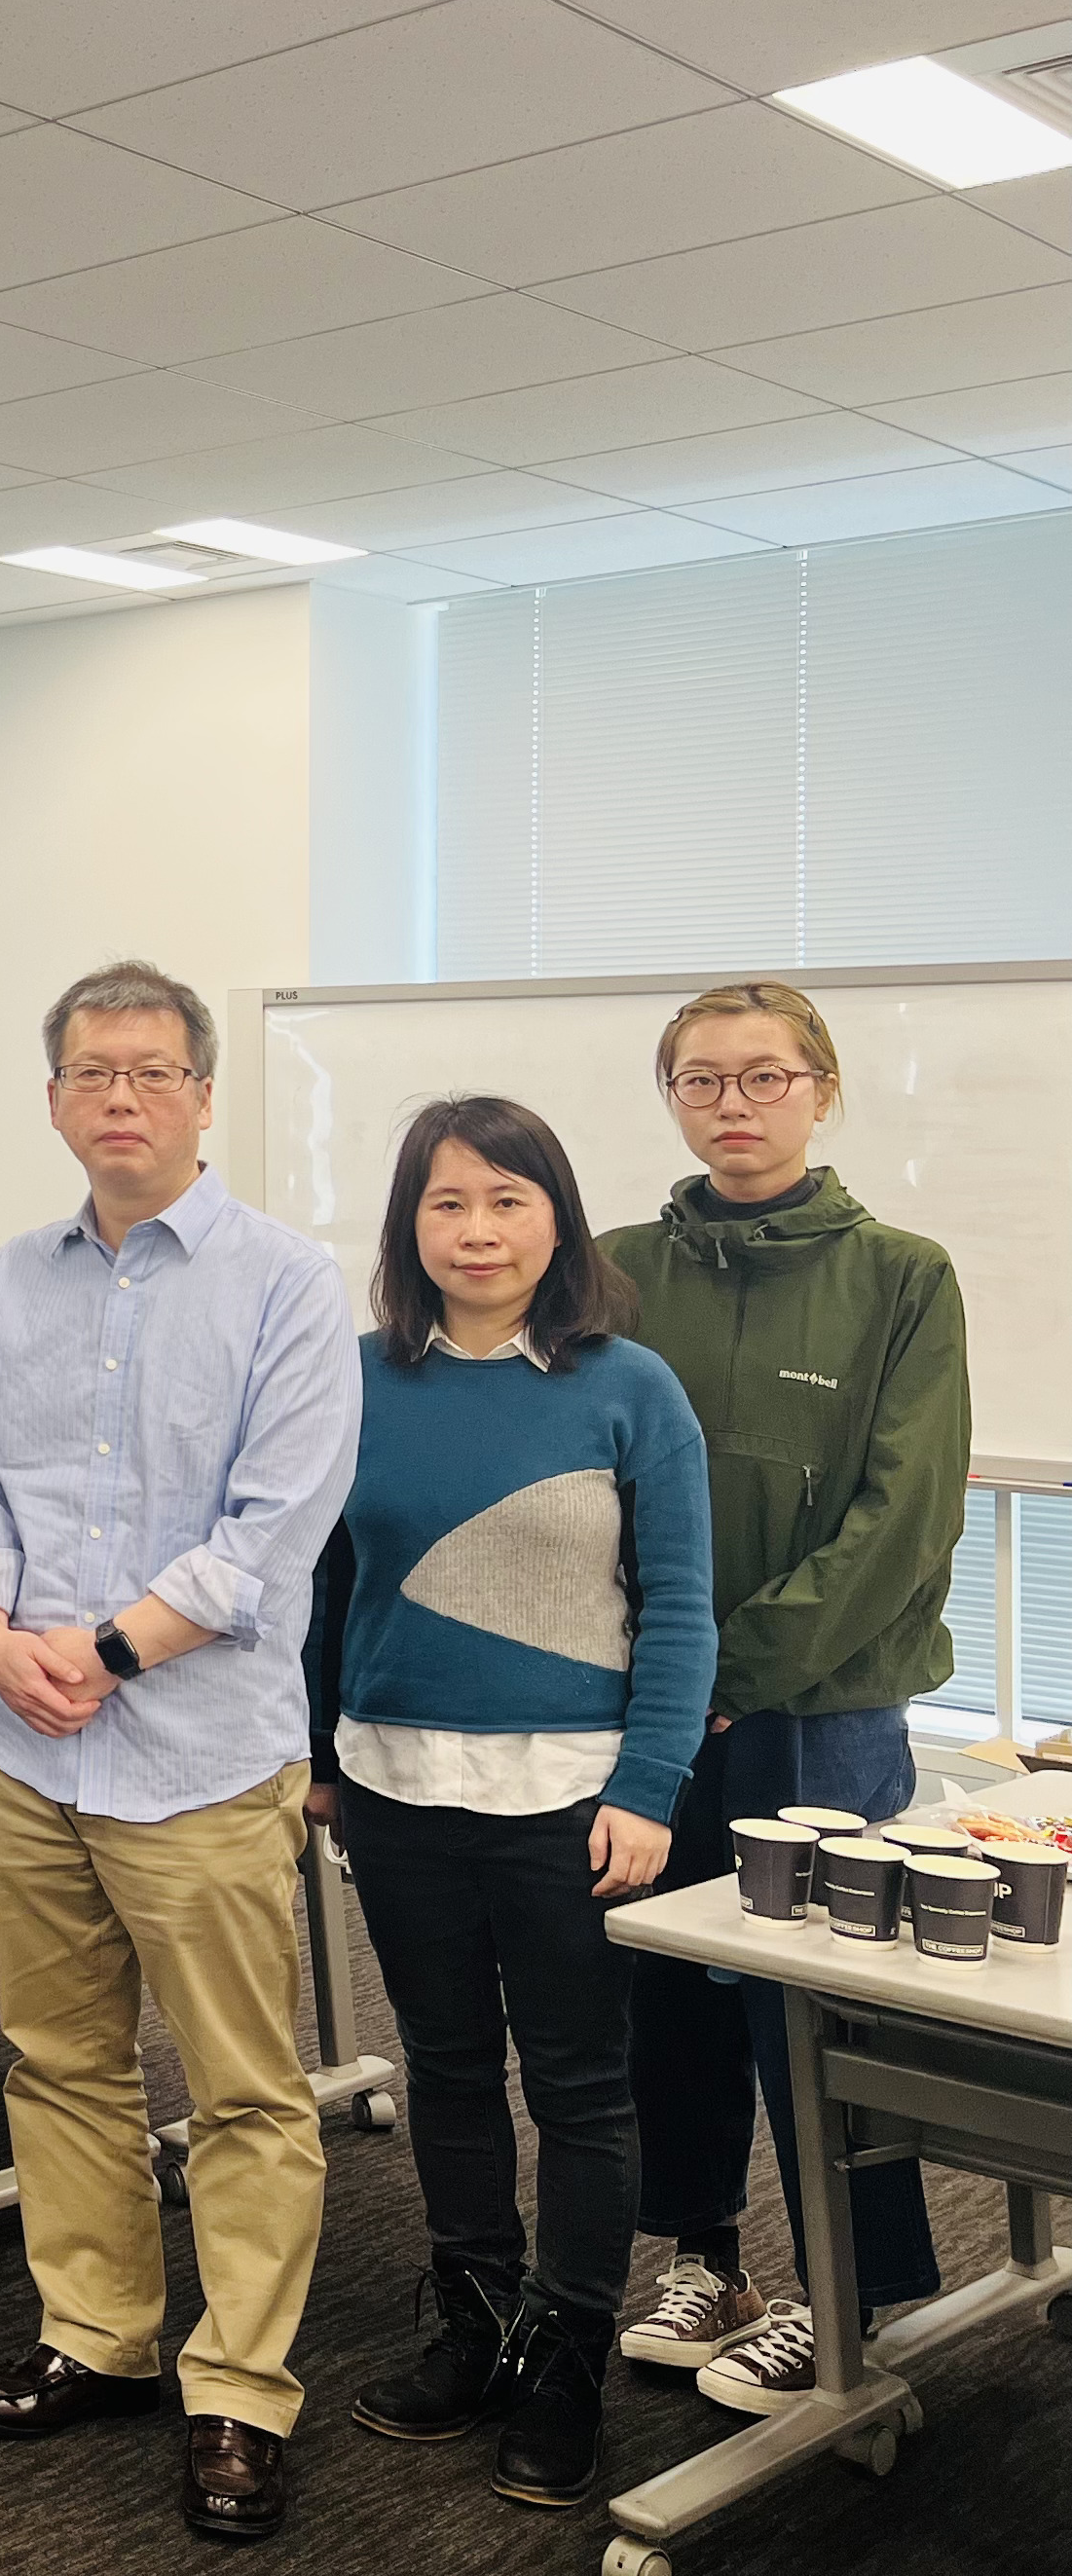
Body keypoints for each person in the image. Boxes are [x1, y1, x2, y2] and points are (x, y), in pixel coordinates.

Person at [0, 960, 359, 2546]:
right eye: (91, 1071)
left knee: (242, 2087)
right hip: (27, 1747)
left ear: (203, 1095)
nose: (121, 1096)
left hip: (197, 1751)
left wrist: (97, 1654)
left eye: (152, 1071)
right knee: (59, 2057)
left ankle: (239, 2387)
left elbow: (272, 1533)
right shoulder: (7, 1280)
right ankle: (97, 2331)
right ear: (53, 1099)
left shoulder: (288, 1285)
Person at [307, 1096, 715, 2508]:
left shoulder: (629, 1387)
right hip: (394, 1786)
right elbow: (324, 1584)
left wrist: (650, 1785)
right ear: (408, 1226)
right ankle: (475, 2321)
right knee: (448, 2069)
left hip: (571, 1799)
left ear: (558, 1219)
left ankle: (569, 2356)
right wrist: (317, 1754)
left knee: (582, 2085)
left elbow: (679, 1607)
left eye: (507, 1201)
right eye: (447, 1203)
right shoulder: (355, 1378)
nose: (476, 1231)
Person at [607, 980, 969, 2412]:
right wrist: (659, 1684)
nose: (733, 1104)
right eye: (701, 1080)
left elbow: (902, 1520)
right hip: (650, 1708)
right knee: (664, 1990)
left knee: (814, 2003)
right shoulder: (615, 1269)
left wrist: (729, 1672)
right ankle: (705, 2256)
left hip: (823, 1707)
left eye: (765, 1076)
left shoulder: (903, 1277)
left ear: (821, 1089)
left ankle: (850, 2293)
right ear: (673, 1099)